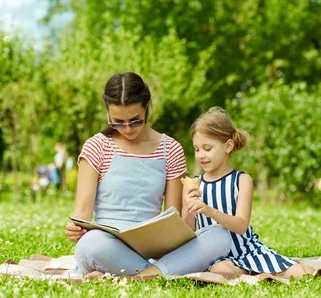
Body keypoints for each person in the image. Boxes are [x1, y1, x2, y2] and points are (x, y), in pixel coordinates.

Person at [65, 72, 231, 279]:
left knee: (220, 236)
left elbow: (173, 219)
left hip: (155, 251)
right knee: (90, 244)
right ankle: (161, 273)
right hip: (107, 246)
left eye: (135, 121)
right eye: (118, 122)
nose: (127, 129)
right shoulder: (97, 146)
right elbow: (82, 212)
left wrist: (190, 206)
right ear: (108, 113)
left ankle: (130, 277)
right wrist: (75, 229)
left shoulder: (170, 149)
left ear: (146, 108)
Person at [183, 107, 314, 280]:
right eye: (197, 149)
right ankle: (253, 273)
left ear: (228, 146)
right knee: (221, 270)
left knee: (300, 273)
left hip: (245, 249)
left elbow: (241, 225)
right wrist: (187, 205)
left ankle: (255, 269)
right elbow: (187, 231)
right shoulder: (194, 183)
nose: (201, 155)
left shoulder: (242, 180)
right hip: (216, 255)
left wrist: (209, 210)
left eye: (207, 148)